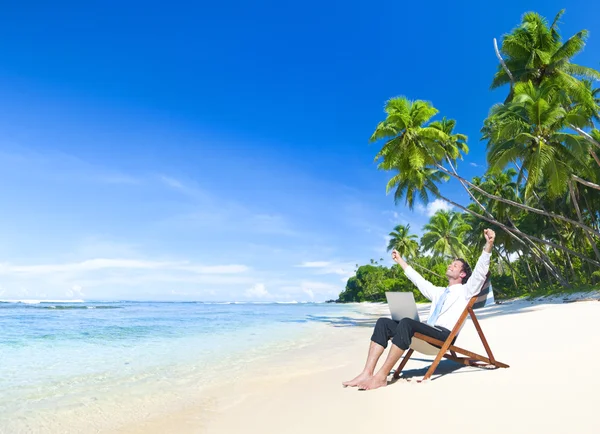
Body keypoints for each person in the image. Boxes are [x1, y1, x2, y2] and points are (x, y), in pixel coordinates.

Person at [342, 228, 495, 390]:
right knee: (383, 323)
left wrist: (489, 244)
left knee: (407, 323)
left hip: (443, 336)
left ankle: (381, 376)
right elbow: (419, 280)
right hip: (428, 332)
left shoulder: (466, 291)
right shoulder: (439, 292)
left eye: (455, 265)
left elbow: (479, 273)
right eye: (451, 263)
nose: (450, 265)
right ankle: (367, 372)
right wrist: (400, 260)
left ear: (463, 274)